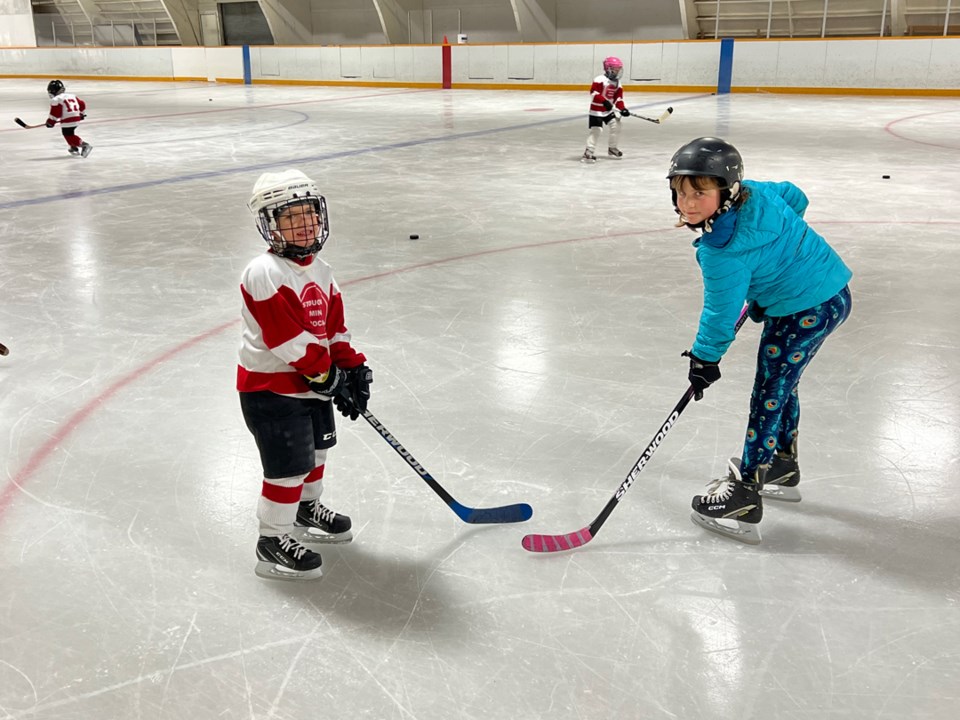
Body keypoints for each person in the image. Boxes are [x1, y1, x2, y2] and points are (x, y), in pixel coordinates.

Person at [667, 137, 852, 545]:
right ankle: (782, 467)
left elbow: (719, 313)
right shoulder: (762, 194)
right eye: (681, 193)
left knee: (769, 392)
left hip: (802, 311)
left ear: (727, 191)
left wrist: (704, 360)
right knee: (784, 384)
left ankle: (745, 496)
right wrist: (780, 259)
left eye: (700, 193)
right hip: (834, 293)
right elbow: (796, 196)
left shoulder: (722, 252)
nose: (689, 204)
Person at [238, 169, 373, 581]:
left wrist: (352, 368)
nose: (304, 224)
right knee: (288, 467)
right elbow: (287, 339)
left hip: (311, 384)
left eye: (309, 214)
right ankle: (273, 539)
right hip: (272, 391)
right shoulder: (264, 272)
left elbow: (334, 329)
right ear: (270, 225)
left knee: (316, 454)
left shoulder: (322, 271)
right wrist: (327, 375)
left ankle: (304, 508)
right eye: (290, 217)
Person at [581, 57, 632, 164]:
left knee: (616, 125)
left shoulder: (618, 83)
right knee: (596, 130)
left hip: (608, 111)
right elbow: (594, 93)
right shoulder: (599, 79)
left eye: (619, 69)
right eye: (615, 69)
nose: (618, 71)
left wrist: (622, 108)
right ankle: (588, 152)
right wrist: (604, 101)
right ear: (608, 69)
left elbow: (618, 99)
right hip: (596, 111)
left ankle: (612, 148)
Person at [46, 80, 92, 158]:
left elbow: (56, 113)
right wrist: (82, 114)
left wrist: (51, 122)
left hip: (68, 120)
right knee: (69, 133)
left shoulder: (56, 99)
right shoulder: (72, 96)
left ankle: (84, 145)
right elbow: (82, 104)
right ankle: (73, 147)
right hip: (76, 119)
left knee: (67, 134)